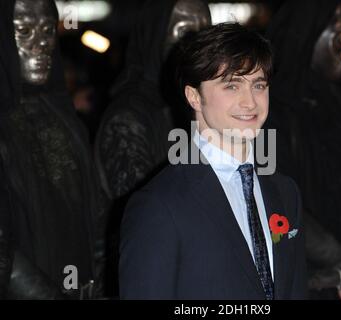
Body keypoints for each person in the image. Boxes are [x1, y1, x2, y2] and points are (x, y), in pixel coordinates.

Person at [119, 23, 307, 300]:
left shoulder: (286, 192)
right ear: (194, 96)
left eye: (258, 85)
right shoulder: (159, 204)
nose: (250, 102)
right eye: (232, 85)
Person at [93, 0, 211, 296]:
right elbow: (155, 221)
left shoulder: (196, 112)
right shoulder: (129, 117)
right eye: (185, 33)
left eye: (204, 32)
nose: (198, 45)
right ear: (156, 34)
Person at [266, 0, 341, 298]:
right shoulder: (274, 109)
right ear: (309, 38)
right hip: (308, 278)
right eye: (340, 36)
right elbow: (277, 202)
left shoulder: (333, 101)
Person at [0, 0, 104, 299]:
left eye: (48, 31)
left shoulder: (61, 113)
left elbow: (91, 206)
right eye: (23, 30)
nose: (41, 44)